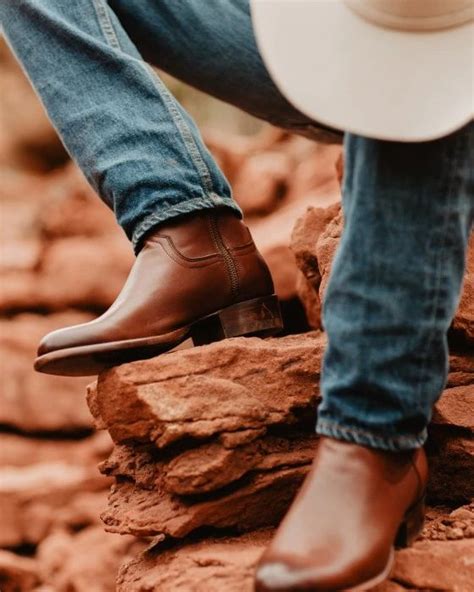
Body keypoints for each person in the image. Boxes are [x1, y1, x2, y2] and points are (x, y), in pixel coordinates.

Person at [1, 1, 472, 590]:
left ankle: (374, 436)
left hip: (450, 52)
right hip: (353, 26)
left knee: (416, 76)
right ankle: (185, 231)